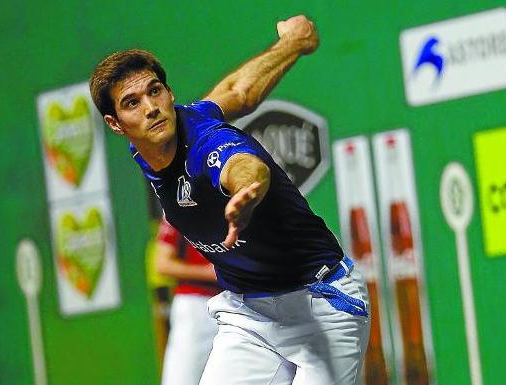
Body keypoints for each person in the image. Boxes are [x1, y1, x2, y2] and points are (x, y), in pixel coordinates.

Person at [90, 14, 370, 385]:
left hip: (322, 306)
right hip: (251, 316)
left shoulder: (207, 142)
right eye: (132, 102)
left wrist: (247, 192)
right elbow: (239, 92)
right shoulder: (154, 143)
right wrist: (293, 43)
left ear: (170, 93)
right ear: (115, 124)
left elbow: (244, 165)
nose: (151, 107)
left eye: (155, 91)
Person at [154, 217, 220, 385]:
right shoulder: (179, 199)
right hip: (196, 307)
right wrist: (212, 273)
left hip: (241, 304)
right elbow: (162, 264)